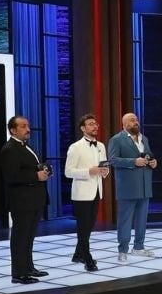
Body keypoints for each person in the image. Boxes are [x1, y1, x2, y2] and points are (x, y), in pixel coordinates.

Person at [0, 115, 49, 284]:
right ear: (13, 130)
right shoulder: (9, 149)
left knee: (29, 236)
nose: (28, 129)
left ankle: (28, 267)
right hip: (22, 201)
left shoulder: (25, 146)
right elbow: (11, 176)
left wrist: (43, 171)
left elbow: (28, 168)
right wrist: (36, 176)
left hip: (33, 200)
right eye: (23, 126)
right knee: (20, 237)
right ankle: (18, 273)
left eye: (27, 125)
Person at [108, 113, 157, 262]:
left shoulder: (144, 139)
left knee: (142, 220)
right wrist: (133, 162)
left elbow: (148, 156)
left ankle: (138, 247)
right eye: (132, 120)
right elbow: (113, 160)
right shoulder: (117, 139)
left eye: (136, 120)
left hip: (144, 186)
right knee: (125, 220)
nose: (136, 122)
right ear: (124, 124)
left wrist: (153, 162)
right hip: (127, 187)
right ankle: (122, 250)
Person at [64, 113, 109, 271]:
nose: (95, 126)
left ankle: (78, 254)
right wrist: (89, 171)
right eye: (91, 124)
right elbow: (68, 172)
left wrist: (105, 172)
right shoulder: (75, 147)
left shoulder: (101, 146)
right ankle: (87, 259)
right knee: (83, 227)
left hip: (96, 192)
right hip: (81, 194)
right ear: (83, 128)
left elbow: (103, 167)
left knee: (88, 227)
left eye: (95, 124)